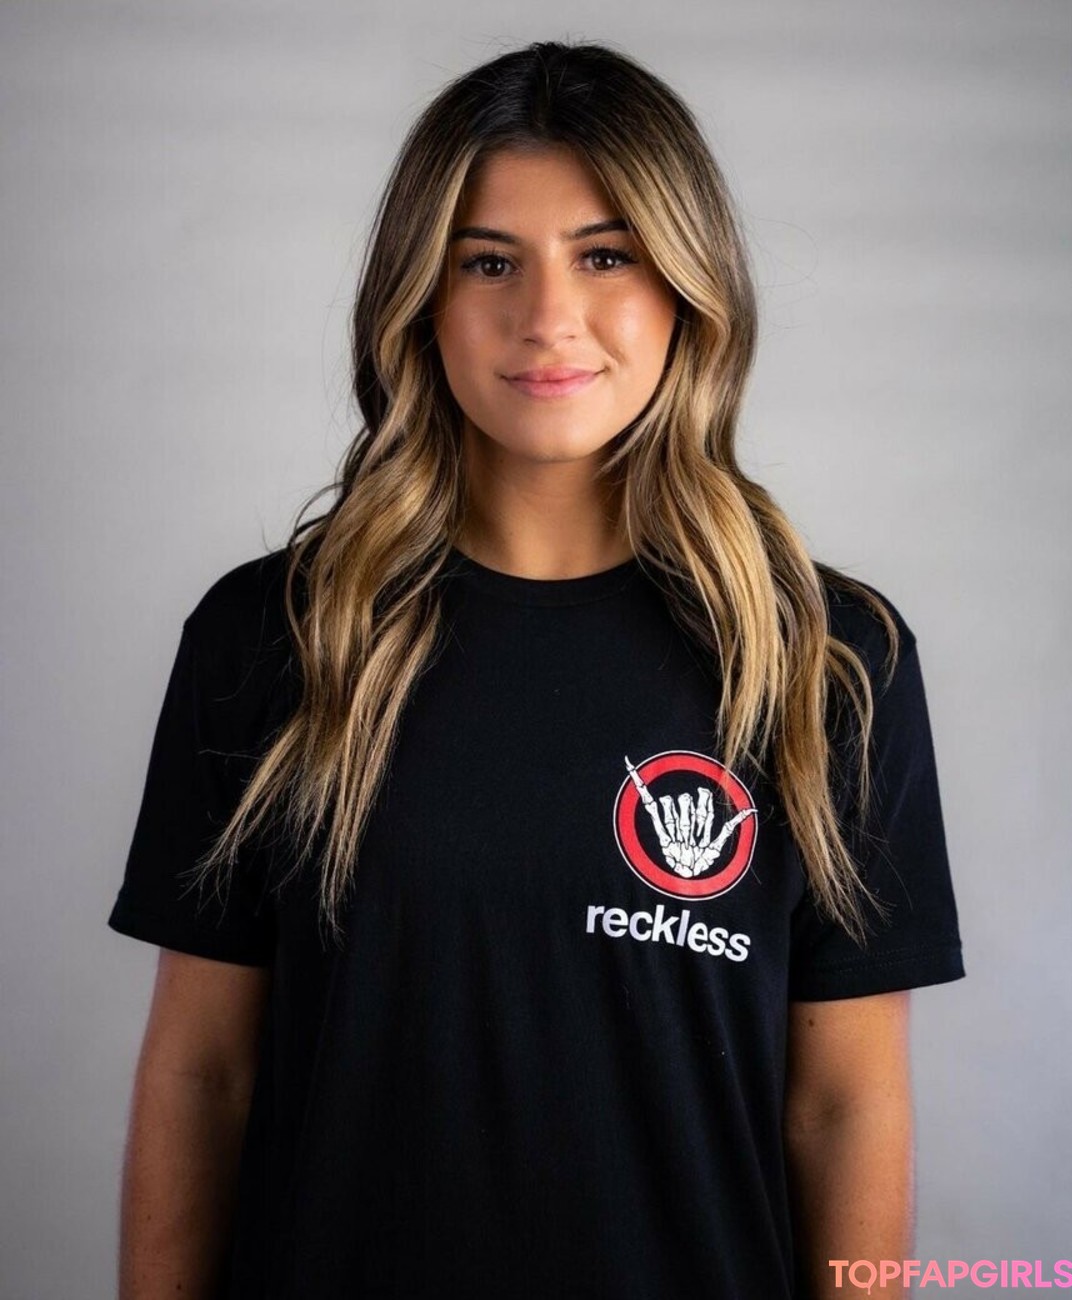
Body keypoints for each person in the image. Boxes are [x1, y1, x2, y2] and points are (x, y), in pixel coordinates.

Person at [107, 39, 964, 1300]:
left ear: (690, 288)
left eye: (606, 256)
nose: (548, 318)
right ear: (418, 297)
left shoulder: (827, 661)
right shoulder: (277, 636)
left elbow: (843, 1106)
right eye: (488, 261)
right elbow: (204, 1073)